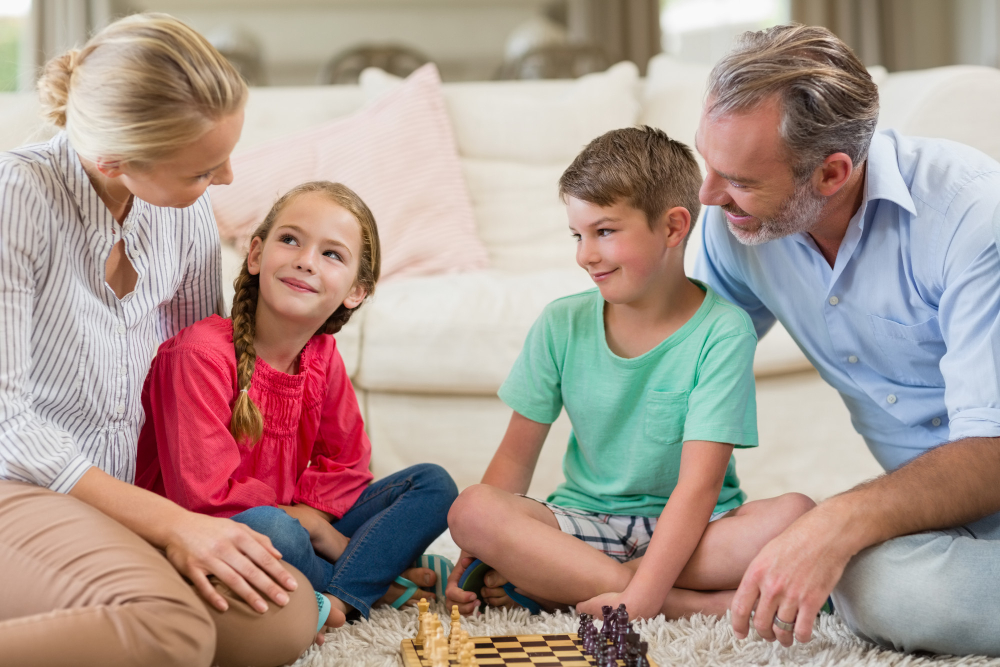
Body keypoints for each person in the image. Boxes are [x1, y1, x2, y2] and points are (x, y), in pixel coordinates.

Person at [0, 14, 318, 667]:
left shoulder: (183, 212)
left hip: (122, 495)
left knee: (283, 618)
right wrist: (171, 524)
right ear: (114, 161)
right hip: (21, 488)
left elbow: (201, 373)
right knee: (172, 631)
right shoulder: (16, 198)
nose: (226, 179)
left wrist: (201, 515)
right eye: (202, 170)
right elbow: (8, 426)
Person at [692, 24, 1000, 656]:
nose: (708, 195)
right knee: (860, 574)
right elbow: (680, 372)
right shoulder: (734, 224)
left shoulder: (972, 219)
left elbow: (992, 450)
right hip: (941, 527)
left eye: (740, 179)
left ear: (832, 173)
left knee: (879, 581)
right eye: (709, 163)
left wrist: (839, 518)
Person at [444, 127, 815, 620]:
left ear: (673, 228)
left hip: (697, 528)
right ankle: (689, 605)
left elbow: (698, 488)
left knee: (796, 516)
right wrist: (477, 550)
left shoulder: (724, 332)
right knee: (472, 509)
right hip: (585, 524)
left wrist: (636, 599)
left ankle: (567, 582)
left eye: (604, 232)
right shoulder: (561, 323)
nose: (586, 255)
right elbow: (514, 459)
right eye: (578, 235)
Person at [135, 181, 459, 629]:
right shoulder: (199, 356)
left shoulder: (321, 354)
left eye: (332, 254)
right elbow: (204, 501)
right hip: (227, 530)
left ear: (356, 291)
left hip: (298, 521)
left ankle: (340, 594)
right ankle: (372, 581)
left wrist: (319, 524)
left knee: (433, 484)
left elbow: (347, 464)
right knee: (275, 530)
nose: (306, 260)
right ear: (255, 255)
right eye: (290, 239)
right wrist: (313, 530)